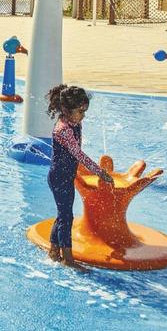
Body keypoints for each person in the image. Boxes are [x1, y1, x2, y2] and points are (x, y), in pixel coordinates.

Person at [46, 84, 113, 269]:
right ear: (66, 110)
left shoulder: (75, 123)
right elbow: (79, 155)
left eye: (84, 111)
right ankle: (68, 259)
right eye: (80, 111)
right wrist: (99, 172)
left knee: (64, 214)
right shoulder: (63, 130)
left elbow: (77, 152)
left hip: (66, 176)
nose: (83, 115)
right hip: (59, 177)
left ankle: (53, 251)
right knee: (66, 217)